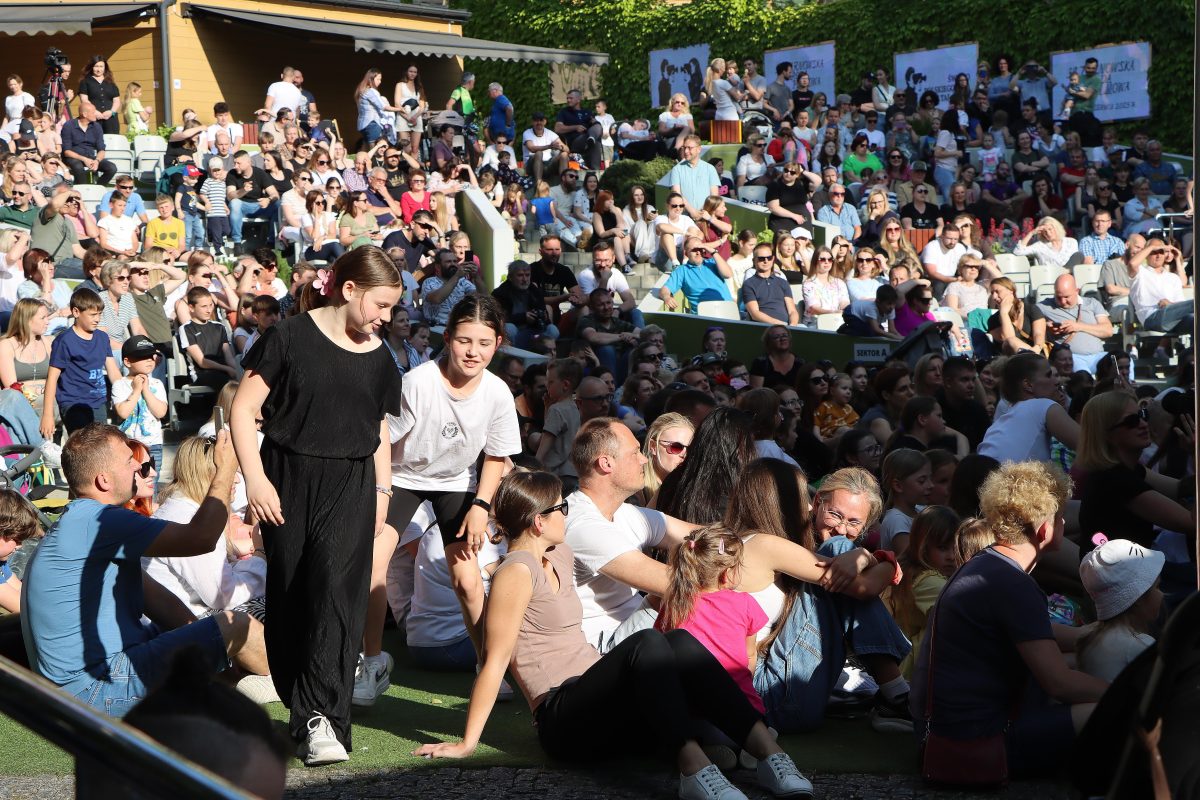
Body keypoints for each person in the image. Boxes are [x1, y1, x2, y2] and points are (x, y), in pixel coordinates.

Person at [414, 470, 813, 800]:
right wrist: (467, 743)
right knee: (648, 642)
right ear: (539, 522)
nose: (568, 513)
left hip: (599, 697)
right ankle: (695, 769)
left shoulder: (559, 554)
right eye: (561, 508)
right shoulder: (516, 572)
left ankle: (771, 756)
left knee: (679, 642)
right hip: (563, 720)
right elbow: (495, 659)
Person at [230, 247, 403, 765]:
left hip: (352, 482)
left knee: (335, 594)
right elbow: (243, 409)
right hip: (286, 479)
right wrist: (255, 480)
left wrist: (383, 492)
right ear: (349, 289)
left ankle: (323, 718)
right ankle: (301, 705)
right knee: (292, 596)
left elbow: (378, 429)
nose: (386, 317)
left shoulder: (380, 355)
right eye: (381, 304)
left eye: (392, 308)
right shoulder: (286, 337)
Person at [23, 423, 253, 716]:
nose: (140, 467)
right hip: (94, 690)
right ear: (103, 480)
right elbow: (201, 538)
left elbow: (163, 605)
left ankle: (257, 684)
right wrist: (225, 469)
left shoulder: (88, 522)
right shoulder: (98, 521)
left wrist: (214, 650)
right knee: (237, 624)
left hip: (96, 680)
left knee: (221, 631)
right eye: (129, 460)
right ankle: (285, 693)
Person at [911, 461, 1106, 780]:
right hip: (977, 743)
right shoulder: (1012, 583)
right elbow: (1059, 683)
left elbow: (1034, 633)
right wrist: (1129, 691)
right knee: (1114, 708)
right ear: (1044, 529)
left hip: (945, 732)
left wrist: (1088, 636)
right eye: (1059, 517)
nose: (1063, 522)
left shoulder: (987, 564)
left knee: (1081, 661)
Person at [1073, 390, 1194, 557]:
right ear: (1106, 434)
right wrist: (1196, 454)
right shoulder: (1115, 479)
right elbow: (1193, 523)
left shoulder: (1126, 469)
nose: (1143, 424)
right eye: (1131, 421)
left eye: (1142, 415)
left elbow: (1181, 488)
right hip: (1121, 572)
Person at [1075, 539, 1163, 683]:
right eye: (1157, 587)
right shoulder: (1141, 647)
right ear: (1139, 597)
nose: (1162, 595)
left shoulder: (1092, 637)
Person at [887, 505, 959, 679]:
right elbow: (963, 612)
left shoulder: (909, 570)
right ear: (923, 548)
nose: (951, 556)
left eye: (955, 548)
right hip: (909, 672)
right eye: (943, 548)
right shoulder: (929, 582)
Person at [40, 287, 120, 438]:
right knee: (83, 444)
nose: (97, 319)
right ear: (76, 312)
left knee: (100, 444)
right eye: (92, 315)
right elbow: (52, 379)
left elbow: (113, 372)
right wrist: (47, 415)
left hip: (98, 402)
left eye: (100, 314)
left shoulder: (102, 338)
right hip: (73, 403)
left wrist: (126, 393)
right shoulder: (64, 341)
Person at [979, 352, 1079, 463]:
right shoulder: (1044, 405)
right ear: (1028, 385)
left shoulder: (995, 427)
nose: (1057, 382)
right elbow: (1089, 447)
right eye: (1048, 375)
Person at [1037, 274, 1112, 374]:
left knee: (1121, 362)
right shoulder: (1044, 307)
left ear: (1077, 291)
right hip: (1072, 357)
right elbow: (1027, 323)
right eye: (1058, 297)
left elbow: (1108, 330)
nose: (1063, 301)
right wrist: (1045, 326)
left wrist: (1078, 326)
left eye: (1066, 297)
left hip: (1098, 355)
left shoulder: (1092, 303)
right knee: (1082, 374)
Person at [1128, 238, 1192, 333]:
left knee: (1194, 321)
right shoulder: (1140, 273)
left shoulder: (1173, 278)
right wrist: (1152, 247)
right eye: (1154, 252)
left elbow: (1181, 305)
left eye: (1161, 252)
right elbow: (1132, 264)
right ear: (1146, 254)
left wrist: (1169, 305)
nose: (1158, 255)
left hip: (1174, 318)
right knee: (1195, 304)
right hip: (1151, 317)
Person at [492, 260, 558, 349]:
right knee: (509, 328)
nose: (525, 279)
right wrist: (523, 317)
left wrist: (542, 317)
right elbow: (499, 319)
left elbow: (544, 317)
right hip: (515, 331)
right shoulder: (500, 293)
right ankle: (514, 355)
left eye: (527, 275)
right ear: (510, 277)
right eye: (520, 275)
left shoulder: (535, 291)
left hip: (533, 330)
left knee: (553, 330)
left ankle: (547, 354)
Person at [657, 237, 733, 313]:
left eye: (700, 249)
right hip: (704, 315)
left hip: (727, 311)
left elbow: (728, 274)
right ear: (686, 253)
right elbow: (664, 290)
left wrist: (713, 252)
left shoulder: (713, 262)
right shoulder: (682, 271)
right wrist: (667, 297)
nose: (698, 252)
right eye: (694, 250)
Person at [742, 243, 799, 327]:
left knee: (805, 329)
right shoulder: (749, 284)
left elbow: (792, 311)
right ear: (754, 260)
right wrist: (781, 325)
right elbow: (755, 313)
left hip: (787, 326)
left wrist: (793, 325)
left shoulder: (783, 282)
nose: (766, 261)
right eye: (761, 258)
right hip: (764, 327)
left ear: (773, 259)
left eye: (769, 258)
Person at [61, 101, 116, 186]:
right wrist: (84, 159)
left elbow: (101, 149)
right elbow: (67, 151)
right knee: (78, 167)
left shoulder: (96, 126)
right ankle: (83, 190)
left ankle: (97, 188)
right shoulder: (69, 125)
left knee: (112, 168)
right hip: (73, 157)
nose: (96, 114)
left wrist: (97, 161)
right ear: (85, 114)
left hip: (90, 156)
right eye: (93, 112)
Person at [667, 136, 720, 220]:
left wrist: (705, 213)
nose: (686, 151)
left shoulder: (710, 168)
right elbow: (676, 194)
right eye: (684, 148)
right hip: (683, 218)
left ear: (699, 149)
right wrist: (692, 211)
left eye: (689, 148)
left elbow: (714, 195)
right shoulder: (677, 169)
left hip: (706, 217)